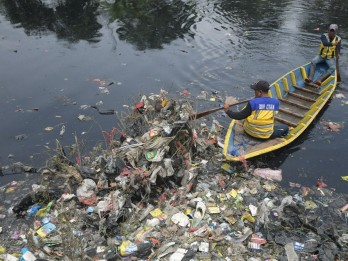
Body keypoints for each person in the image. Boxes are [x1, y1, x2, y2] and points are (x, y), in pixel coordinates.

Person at [223, 80, 288, 139]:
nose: (254, 93)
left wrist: (227, 111)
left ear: (260, 92)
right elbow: (273, 114)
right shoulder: (276, 102)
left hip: (249, 132)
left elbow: (239, 116)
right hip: (265, 135)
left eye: (255, 91)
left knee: (246, 117)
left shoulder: (253, 102)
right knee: (285, 128)